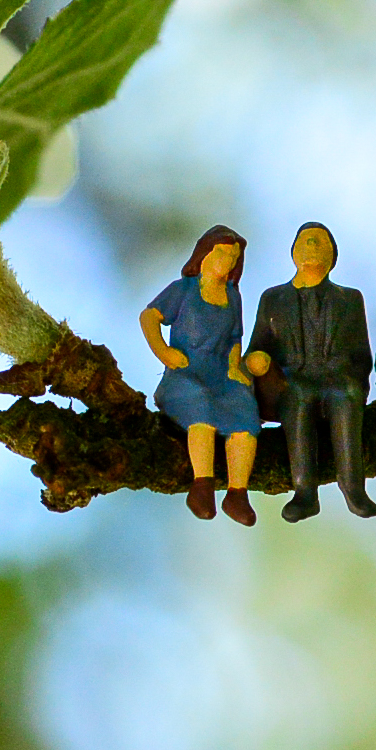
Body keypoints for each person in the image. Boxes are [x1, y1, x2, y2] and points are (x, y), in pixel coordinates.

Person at [249, 221, 376, 522]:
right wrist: (257, 362)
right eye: (306, 241)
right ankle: (305, 493)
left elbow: (362, 353)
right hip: (292, 379)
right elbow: (258, 346)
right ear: (293, 251)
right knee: (298, 397)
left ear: (334, 256)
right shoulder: (273, 299)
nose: (311, 247)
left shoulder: (350, 299)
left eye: (320, 242)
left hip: (337, 378)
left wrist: (358, 384)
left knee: (345, 395)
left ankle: (353, 489)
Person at [141, 225, 261, 525]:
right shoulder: (184, 290)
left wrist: (235, 367)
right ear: (205, 253)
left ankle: (237, 494)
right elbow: (149, 316)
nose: (228, 261)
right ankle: (202, 486)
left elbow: (235, 339)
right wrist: (163, 352)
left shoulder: (233, 297)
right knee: (201, 407)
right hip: (185, 374)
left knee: (246, 411)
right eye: (222, 252)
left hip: (221, 375)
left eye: (234, 257)